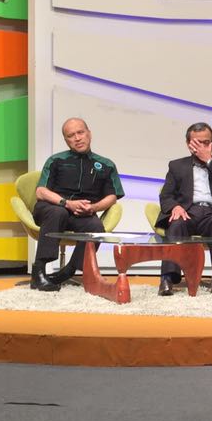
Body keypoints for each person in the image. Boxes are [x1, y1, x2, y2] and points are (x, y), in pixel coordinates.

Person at [31, 117, 124, 292]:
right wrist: (67, 203)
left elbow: (112, 196)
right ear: (66, 140)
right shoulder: (56, 160)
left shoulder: (106, 165)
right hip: (51, 208)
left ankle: (69, 270)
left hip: (81, 213)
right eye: (71, 135)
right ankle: (39, 272)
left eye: (80, 132)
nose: (77, 138)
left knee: (95, 226)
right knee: (59, 212)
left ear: (89, 134)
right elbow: (41, 191)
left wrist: (94, 208)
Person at [155, 121, 212, 296]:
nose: (201, 147)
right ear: (188, 144)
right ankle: (167, 278)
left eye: (206, 142)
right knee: (176, 224)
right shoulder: (176, 166)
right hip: (188, 212)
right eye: (197, 143)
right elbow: (166, 195)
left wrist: (208, 160)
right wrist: (176, 206)